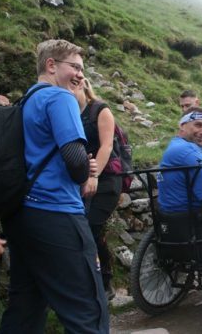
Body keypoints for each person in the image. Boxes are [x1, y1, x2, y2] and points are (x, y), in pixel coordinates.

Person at [0, 39, 108, 333]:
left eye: (82, 70)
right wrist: (87, 171)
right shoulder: (60, 99)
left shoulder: (26, 101)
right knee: (88, 309)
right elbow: (74, 161)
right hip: (57, 212)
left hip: (23, 216)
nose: (80, 76)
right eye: (75, 67)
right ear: (51, 65)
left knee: (25, 308)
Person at [73, 78, 121, 301]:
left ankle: (101, 284)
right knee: (86, 230)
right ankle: (98, 281)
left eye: (75, 85)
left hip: (107, 180)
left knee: (89, 228)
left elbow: (107, 145)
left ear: (84, 85)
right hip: (80, 181)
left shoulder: (100, 110)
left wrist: (94, 176)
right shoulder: (68, 112)